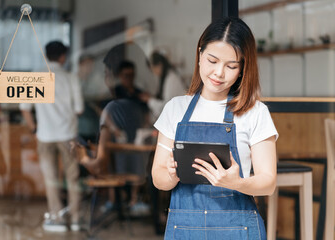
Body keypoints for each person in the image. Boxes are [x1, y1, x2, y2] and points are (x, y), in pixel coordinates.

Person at [151, 17, 278, 239]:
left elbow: (268, 183)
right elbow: (158, 178)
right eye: (212, 60)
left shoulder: (255, 112)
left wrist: (236, 183)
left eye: (231, 66)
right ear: (200, 55)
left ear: (243, 68)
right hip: (185, 231)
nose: (219, 73)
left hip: (238, 230)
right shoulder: (175, 109)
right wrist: (172, 175)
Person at [79, 43, 151, 216]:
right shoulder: (115, 92)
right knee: (114, 167)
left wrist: (145, 128)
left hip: (135, 136)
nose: (129, 78)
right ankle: (113, 201)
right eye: (126, 75)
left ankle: (134, 200)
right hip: (117, 135)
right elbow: (104, 111)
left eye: (132, 75)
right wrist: (114, 129)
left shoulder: (139, 93)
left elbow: (147, 113)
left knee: (137, 167)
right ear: (120, 76)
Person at [20, 41, 84, 232]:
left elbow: (25, 109)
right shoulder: (70, 77)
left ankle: (56, 219)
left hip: (45, 135)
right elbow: (79, 109)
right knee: (73, 178)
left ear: (46, 55)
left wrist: (34, 129)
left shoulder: (35, 76)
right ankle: (75, 219)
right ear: (63, 56)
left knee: (51, 179)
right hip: (68, 135)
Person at [140, 51, 185, 118]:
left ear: (160, 65)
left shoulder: (171, 79)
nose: (153, 72)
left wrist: (149, 100)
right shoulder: (165, 77)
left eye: (153, 69)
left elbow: (165, 107)